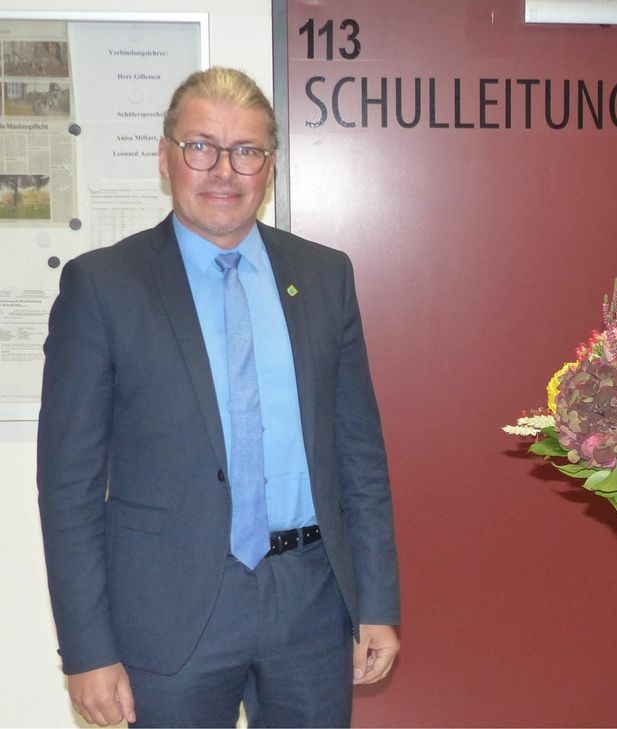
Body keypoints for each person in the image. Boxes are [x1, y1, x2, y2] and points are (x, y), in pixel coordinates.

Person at [37, 67, 400, 727]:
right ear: (166, 156)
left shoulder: (324, 276)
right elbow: (69, 487)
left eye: (247, 151)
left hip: (311, 600)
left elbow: (360, 455)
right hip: (169, 608)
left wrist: (376, 601)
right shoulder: (103, 287)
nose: (223, 171)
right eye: (200, 147)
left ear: (270, 165)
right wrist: (87, 650)